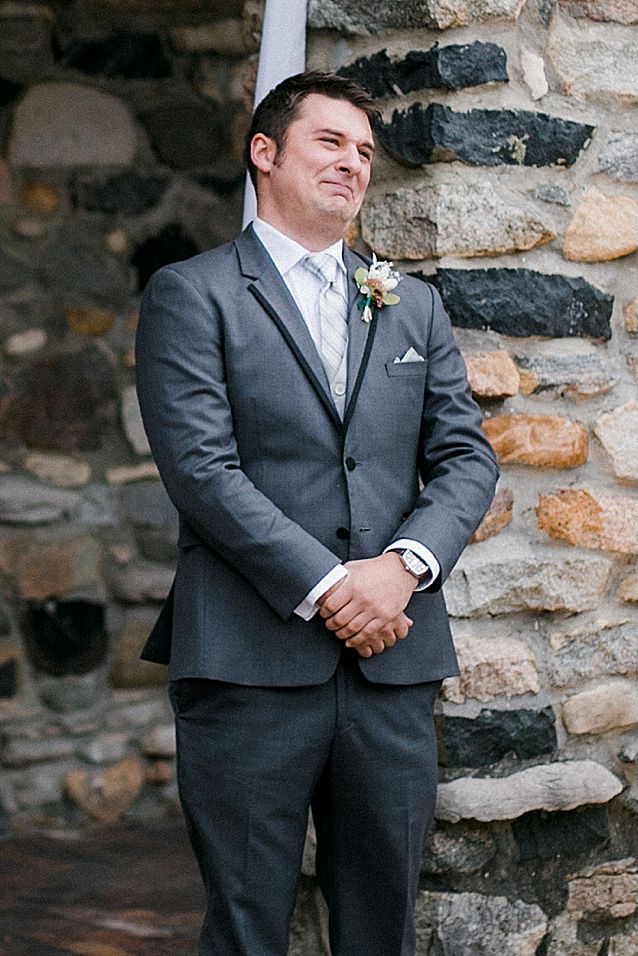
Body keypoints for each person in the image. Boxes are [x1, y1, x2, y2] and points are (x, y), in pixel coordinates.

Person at [134, 72, 499, 955]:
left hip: (391, 669)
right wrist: (337, 587)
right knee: (249, 923)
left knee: (385, 925)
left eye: (365, 151)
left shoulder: (411, 302)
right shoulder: (194, 293)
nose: (353, 163)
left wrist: (403, 569)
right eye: (330, 142)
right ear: (265, 153)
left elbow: (466, 457)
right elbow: (202, 470)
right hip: (248, 661)